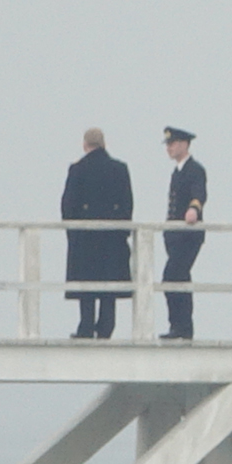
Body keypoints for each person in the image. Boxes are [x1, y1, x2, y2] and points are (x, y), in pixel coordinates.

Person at [61, 128, 133, 339]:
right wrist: (122, 233)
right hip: (113, 239)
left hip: (85, 240)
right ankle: (106, 328)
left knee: (87, 286)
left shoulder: (77, 169)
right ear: (104, 144)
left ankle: (85, 327)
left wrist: (73, 235)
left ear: (85, 145)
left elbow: (67, 207)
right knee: (109, 287)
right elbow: (128, 205)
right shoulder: (120, 169)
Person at [160, 126, 207, 340]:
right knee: (180, 277)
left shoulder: (194, 169)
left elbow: (199, 193)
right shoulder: (177, 171)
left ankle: (181, 327)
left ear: (184, 144)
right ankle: (181, 327)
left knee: (172, 276)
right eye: (168, 144)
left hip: (188, 235)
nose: (169, 148)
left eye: (173, 143)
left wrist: (194, 209)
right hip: (175, 236)